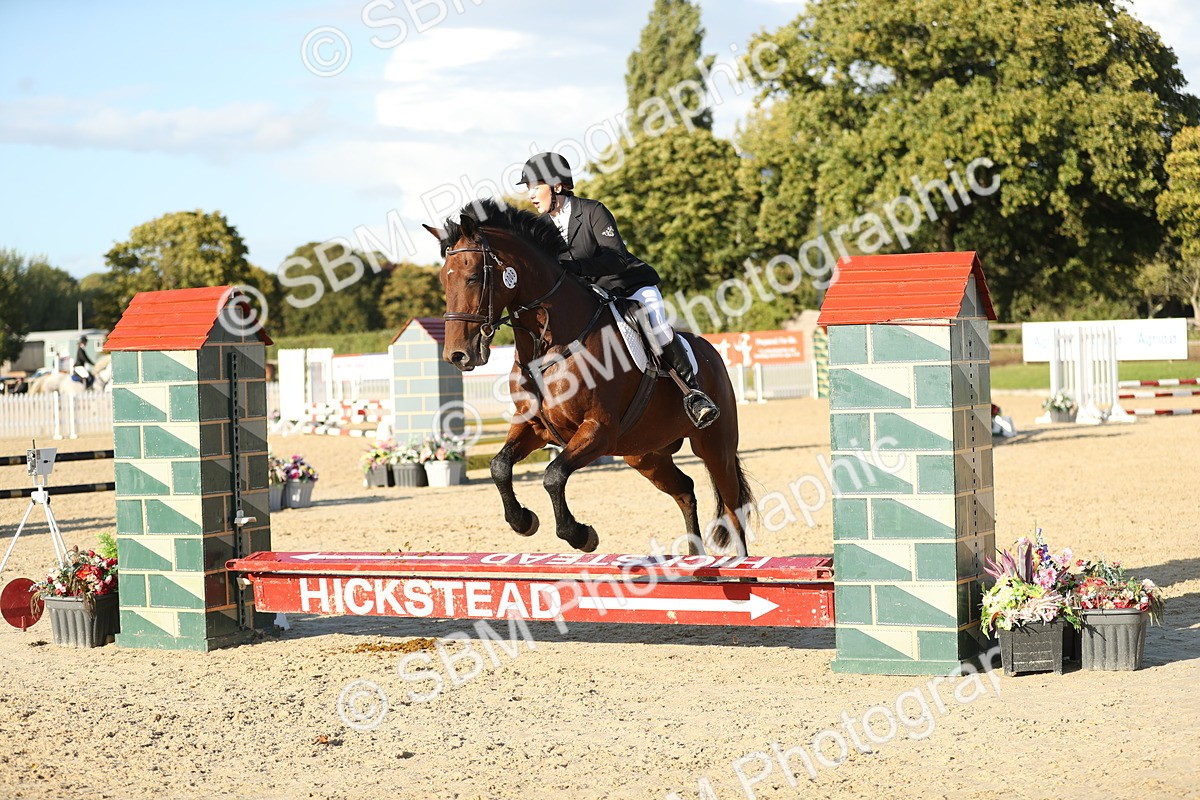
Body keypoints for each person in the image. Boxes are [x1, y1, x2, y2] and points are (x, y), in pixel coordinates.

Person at [517, 151, 719, 429]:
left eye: (535, 187)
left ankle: (694, 394)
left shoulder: (592, 211)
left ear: (557, 185)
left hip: (629, 287)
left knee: (657, 327)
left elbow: (616, 257)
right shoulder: (540, 228)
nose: (531, 195)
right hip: (593, 295)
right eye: (529, 188)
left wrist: (576, 267)